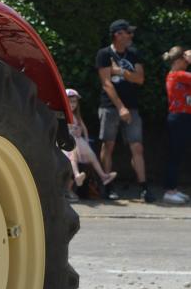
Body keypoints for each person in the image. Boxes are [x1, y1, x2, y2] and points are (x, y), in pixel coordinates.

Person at [96, 19, 152, 202]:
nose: (130, 36)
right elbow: (106, 83)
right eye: (127, 32)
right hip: (110, 107)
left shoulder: (134, 53)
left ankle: (144, 188)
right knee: (108, 144)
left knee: (137, 146)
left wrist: (119, 72)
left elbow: (140, 78)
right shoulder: (104, 54)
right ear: (117, 35)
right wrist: (120, 107)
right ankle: (107, 185)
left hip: (132, 107)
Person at [63, 88, 116, 200]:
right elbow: (64, 128)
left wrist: (85, 139)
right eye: (70, 101)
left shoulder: (76, 116)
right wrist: (74, 130)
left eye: (74, 102)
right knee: (73, 155)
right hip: (68, 142)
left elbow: (84, 128)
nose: (72, 104)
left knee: (92, 156)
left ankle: (103, 176)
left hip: (78, 141)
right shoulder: (64, 115)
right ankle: (77, 175)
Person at [161, 46, 191, 204]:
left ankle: (173, 189)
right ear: (178, 60)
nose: (187, 62)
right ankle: (169, 191)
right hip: (179, 118)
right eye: (185, 60)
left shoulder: (179, 75)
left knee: (177, 155)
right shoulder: (177, 74)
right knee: (174, 155)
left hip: (183, 118)